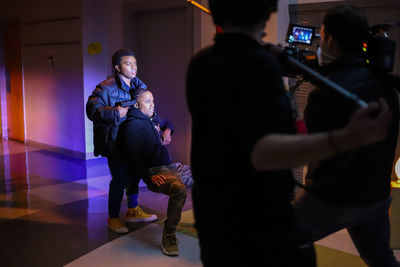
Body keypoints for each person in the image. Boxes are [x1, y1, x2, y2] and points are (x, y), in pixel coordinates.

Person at [185, 0, 393, 265]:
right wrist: (349, 136)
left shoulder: (200, 63)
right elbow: (267, 152)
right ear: (268, 11)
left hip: (212, 208)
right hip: (259, 215)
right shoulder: (262, 66)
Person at [292, 6, 400, 266]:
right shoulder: (387, 88)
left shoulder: (324, 94)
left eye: (322, 36)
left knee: (279, 239)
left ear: (329, 39)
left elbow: (312, 148)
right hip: (376, 196)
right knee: (380, 258)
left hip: (331, 198)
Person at [86, 48, 157, 234]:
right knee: (119, 179)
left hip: (133, 141)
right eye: (128, 63)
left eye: (135, 63)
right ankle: (113, 218)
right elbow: (92, 110)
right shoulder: (105, 87)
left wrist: (159, 125)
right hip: (115, 142)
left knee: (134, 176)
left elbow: (147, 106)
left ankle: (133, 210)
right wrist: (117, 112)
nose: (133, 67)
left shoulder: (139, 85)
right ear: (117, 67)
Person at [118, 89, 187, 256]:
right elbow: (133, 157)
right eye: (148, 101)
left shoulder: (151, 118)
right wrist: (150, 176)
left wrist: (166, 132)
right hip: (155, 172)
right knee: (179, 190)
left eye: (153, 101)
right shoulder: (133, 126)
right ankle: (169, 235)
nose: (152, 105)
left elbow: (168, 123)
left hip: (171, 166)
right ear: (136, 105)